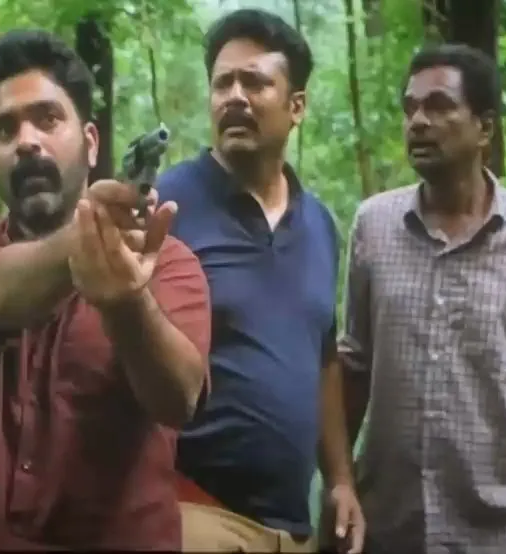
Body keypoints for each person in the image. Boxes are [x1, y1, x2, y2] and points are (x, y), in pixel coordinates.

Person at [0, 29, 212, 551]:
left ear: (91, 142)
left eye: (48, 118)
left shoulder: (167, 263)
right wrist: (86, 239)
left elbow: (179, 399)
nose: (27, 141)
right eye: (4, 130)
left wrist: (127, 302)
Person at [337, 43, 506, 554]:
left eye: (439, 106)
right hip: (392, 532)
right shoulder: (373, 226)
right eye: (410, 108)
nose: (418, 122)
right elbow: (353, 367)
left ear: (484, 128)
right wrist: (339, 485)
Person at [156, 9, 365, 554]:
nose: (235, 97)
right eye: (222, 83)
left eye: (254, 82)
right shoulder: (166, 207)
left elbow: (323, 357)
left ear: (297, 106)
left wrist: (340, 480)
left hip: (292, 529)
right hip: (191, 510)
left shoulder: (318, 225)